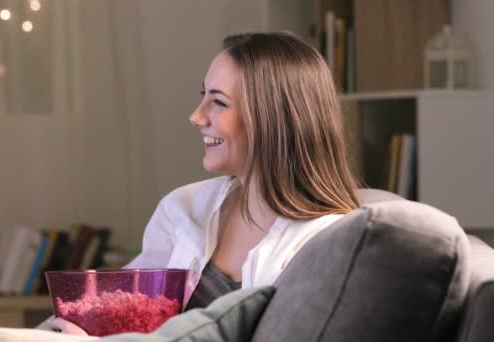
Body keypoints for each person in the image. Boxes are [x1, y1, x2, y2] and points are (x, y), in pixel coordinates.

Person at [37, 31, 360, 334]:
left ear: (273, 118)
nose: (196, 116)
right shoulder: (182, 208)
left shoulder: (331, 242)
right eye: (203, 95)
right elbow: (120, 319)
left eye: (218, 102)